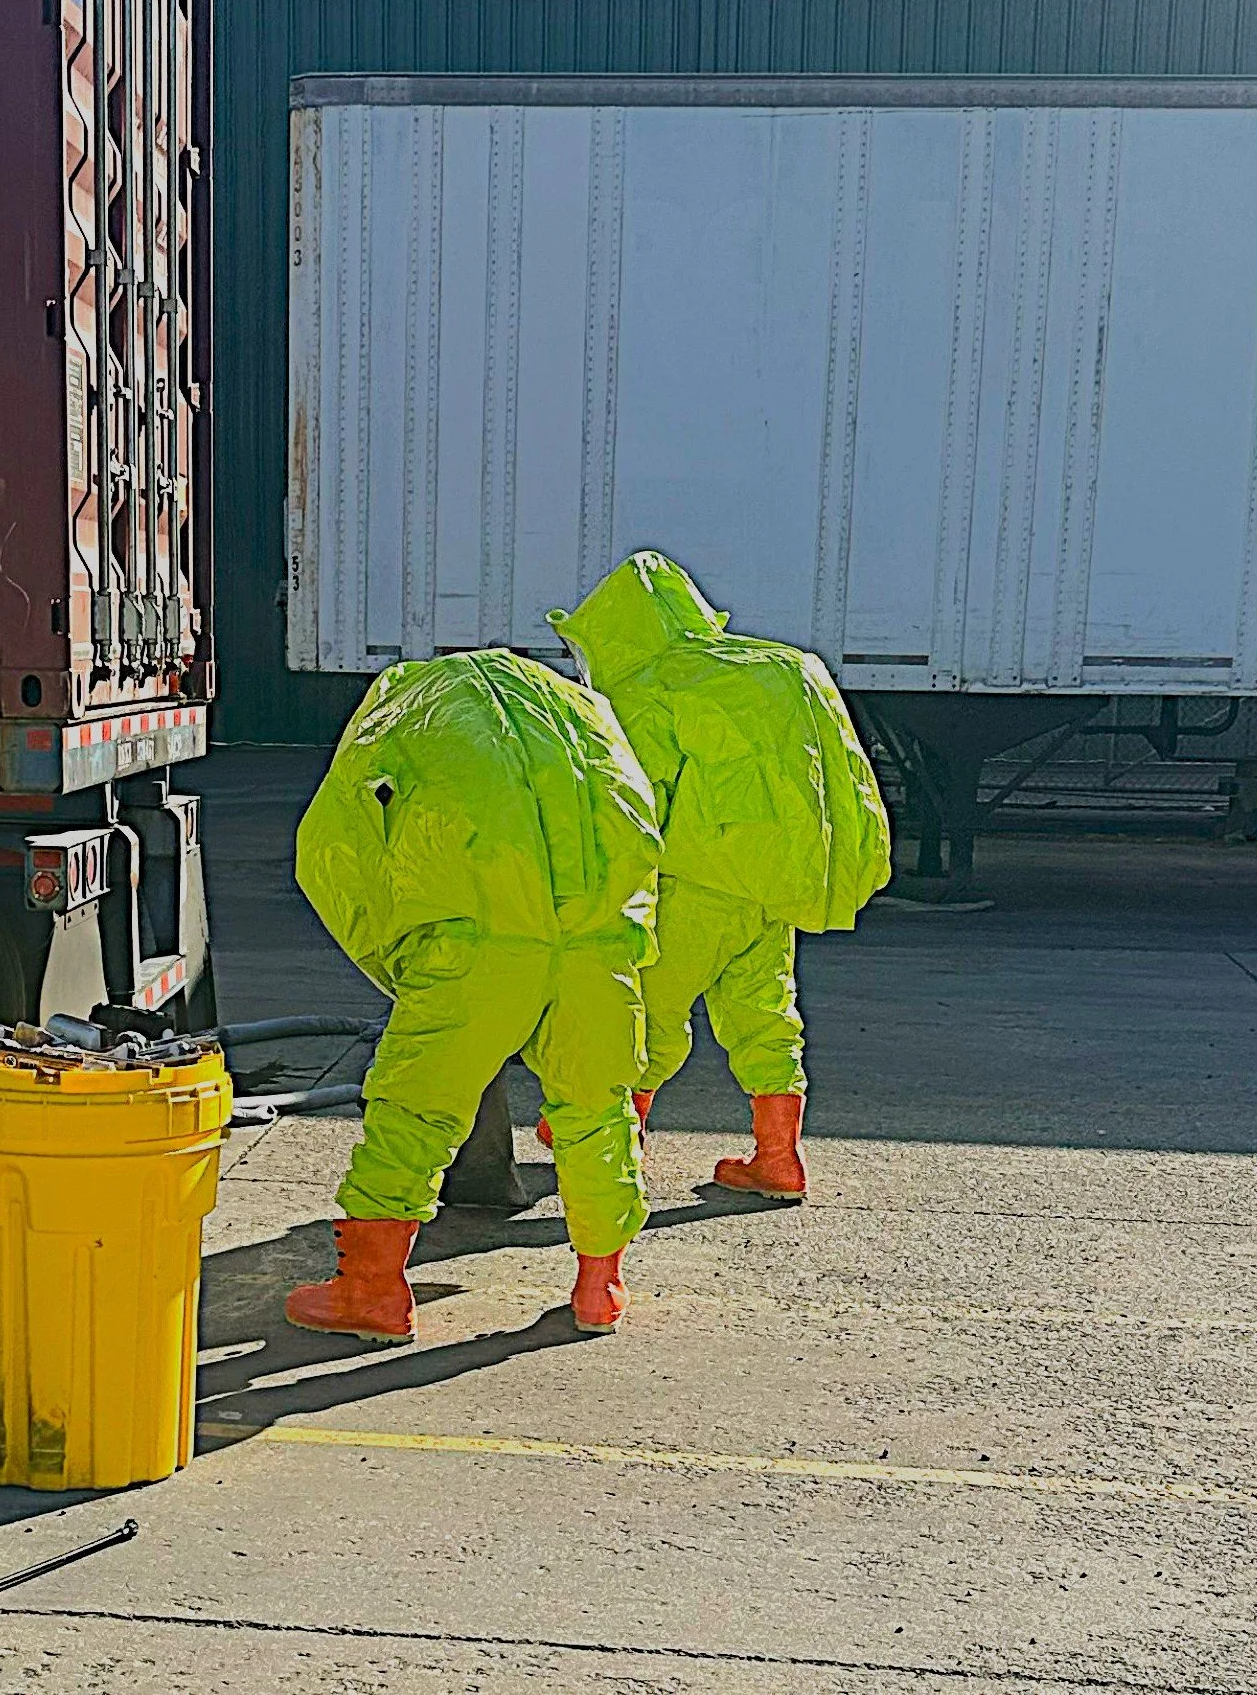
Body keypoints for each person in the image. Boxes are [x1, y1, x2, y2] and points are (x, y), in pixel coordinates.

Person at [285, 648, 664, 1342]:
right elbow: (640, 827)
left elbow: (336, 844)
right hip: (593, 945)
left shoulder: (412, 707)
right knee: (597, 1108)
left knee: (413, 1110)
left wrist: (399, 954)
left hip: (477, 945)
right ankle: (599, 1285)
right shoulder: (582, 714)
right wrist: (620, 937)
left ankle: (372, 1290)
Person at [545, 552, 892, 1201]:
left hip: (692, 883)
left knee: (646, 1010)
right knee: (765, 1014)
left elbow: (631, 804)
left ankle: (615, 1144)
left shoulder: (648, 687)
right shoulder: (781, 668)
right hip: (773, 887)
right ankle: (778, 1157)